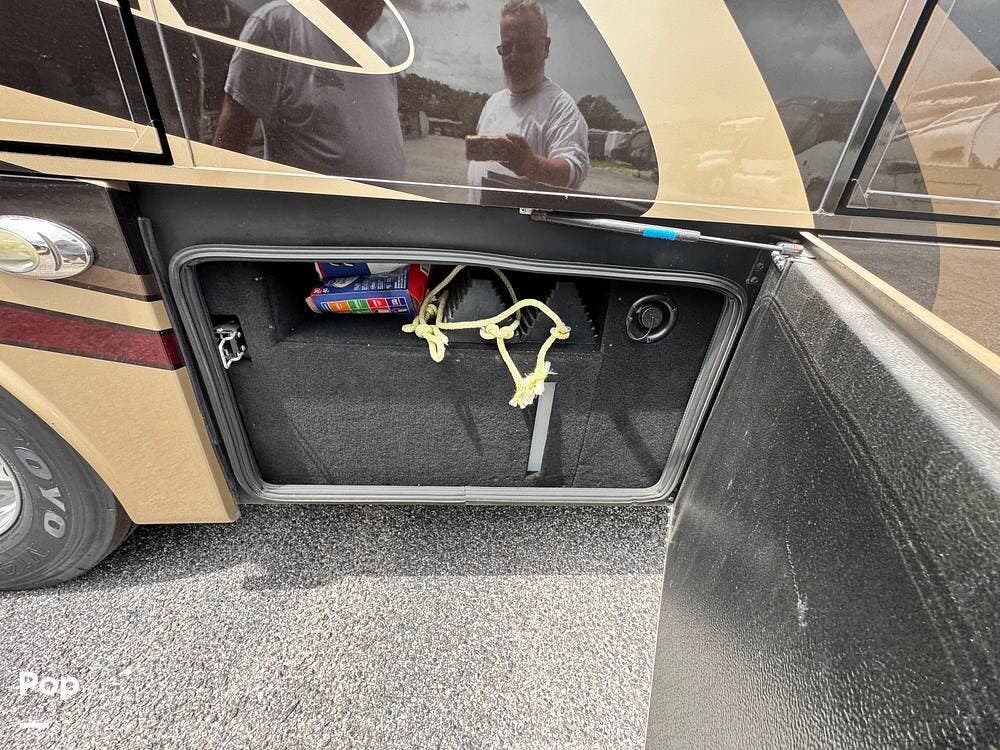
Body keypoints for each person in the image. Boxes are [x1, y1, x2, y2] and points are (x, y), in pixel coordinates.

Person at [212, 0, 405, 180]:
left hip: (386, 205)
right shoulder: (279, 25)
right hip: (305, 205)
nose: (377, 5)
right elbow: (230, 142)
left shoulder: (382, 62)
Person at [467, 0, 588, 191]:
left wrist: (530, 165)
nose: (514, 56)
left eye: (525, 46)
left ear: (545, 47)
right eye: (506, 47)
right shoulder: (493, 103)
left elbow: (573, 173)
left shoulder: (560, 107)